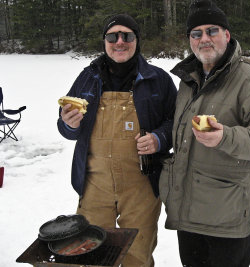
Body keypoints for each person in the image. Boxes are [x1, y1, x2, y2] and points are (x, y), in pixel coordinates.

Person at [159, 1, 250, 266]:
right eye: (196, 34)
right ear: (190, 41)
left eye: (212, 31)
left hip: (225, 217)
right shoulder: (188, 80)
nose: (204, 39)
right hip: (188, 211)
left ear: (227, 35)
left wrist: (225, 137)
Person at [57, 14, 177, 267]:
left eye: (127, 36)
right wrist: (68, 124)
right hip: (94, 184)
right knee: (90, 252)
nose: (120, 42)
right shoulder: (87, 78)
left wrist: (159, 138)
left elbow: (175, 123)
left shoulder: (158, 79)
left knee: (138, 252)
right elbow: (66, 128)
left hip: (142, 185)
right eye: (113, 36)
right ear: (104, 41)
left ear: (137, 40)